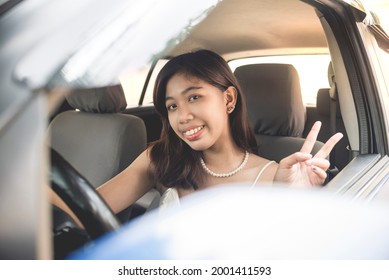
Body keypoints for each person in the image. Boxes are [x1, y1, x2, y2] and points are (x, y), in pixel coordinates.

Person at [52, 49, 343, 221]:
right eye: (172, 106)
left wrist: (299, 201)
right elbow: (84, 209)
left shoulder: (277, 176)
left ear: (229, 100)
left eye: (194, 98)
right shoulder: (159, 159)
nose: (182, 116)